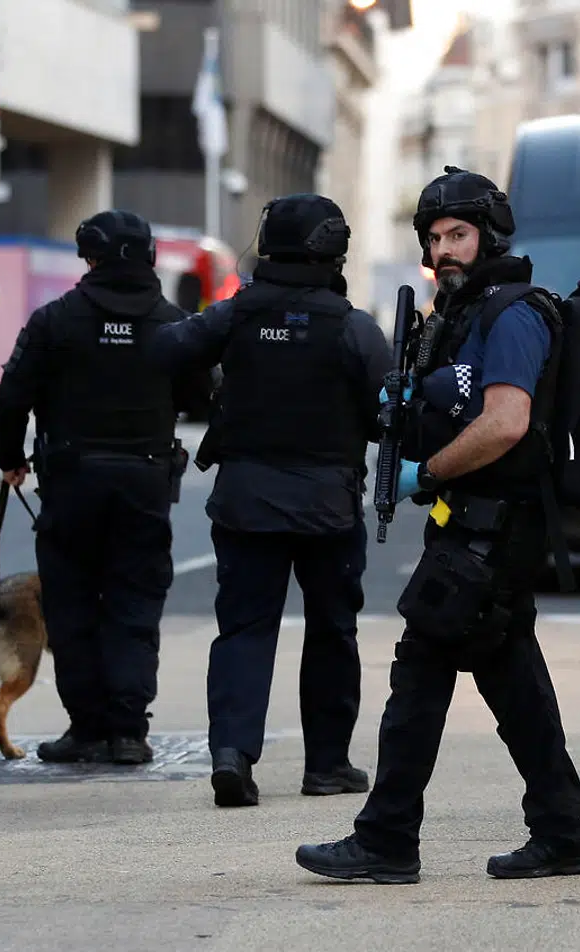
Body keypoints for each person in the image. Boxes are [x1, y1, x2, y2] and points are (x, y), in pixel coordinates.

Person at [295, 168, 580, 883]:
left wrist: (425, 474)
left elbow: (506, 422)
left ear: (489, 235)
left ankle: (387, 839)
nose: (444, 251)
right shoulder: (461, 315)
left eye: (457, 234)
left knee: (421, 672)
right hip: (474, 524)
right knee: (512, 678)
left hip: (494, 528)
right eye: (433, 239)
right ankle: (562, 832)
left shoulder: (511, 314)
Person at [148, 194, 389, 807]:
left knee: (244, 630)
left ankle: (232, 755)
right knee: (332, 632)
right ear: (333, 250)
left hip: (245, 501)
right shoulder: (355, 327)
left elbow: (165, 350)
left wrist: (211, 390)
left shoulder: (235, 314)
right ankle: (327, 765)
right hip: (328, 507)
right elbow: (386, 415)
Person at [0, 209, 213, 765]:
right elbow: (205, 396)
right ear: (150, 256)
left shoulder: (55, 320)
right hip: (146, 481)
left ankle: (87, 728)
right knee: (135, 605)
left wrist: (10, 457)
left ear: (88, 258)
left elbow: (13, 396)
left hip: (71, 481)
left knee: (72, 605)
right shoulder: (173, 323)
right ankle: (129, 732)